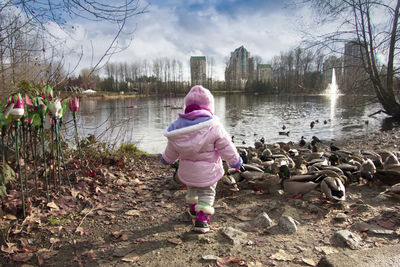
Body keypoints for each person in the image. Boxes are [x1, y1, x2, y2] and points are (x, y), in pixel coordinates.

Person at [161, 85, 242, 233]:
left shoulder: (177, 129)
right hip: (208, 171)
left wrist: (166, 160)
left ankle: (193, 209)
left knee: (192, 187)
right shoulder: (214, 126)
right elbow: (226, 146)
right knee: (207, 192)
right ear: (209, 107)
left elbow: (171, 150)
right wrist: (235, 161)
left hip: (188, 171)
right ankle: (202, 221)